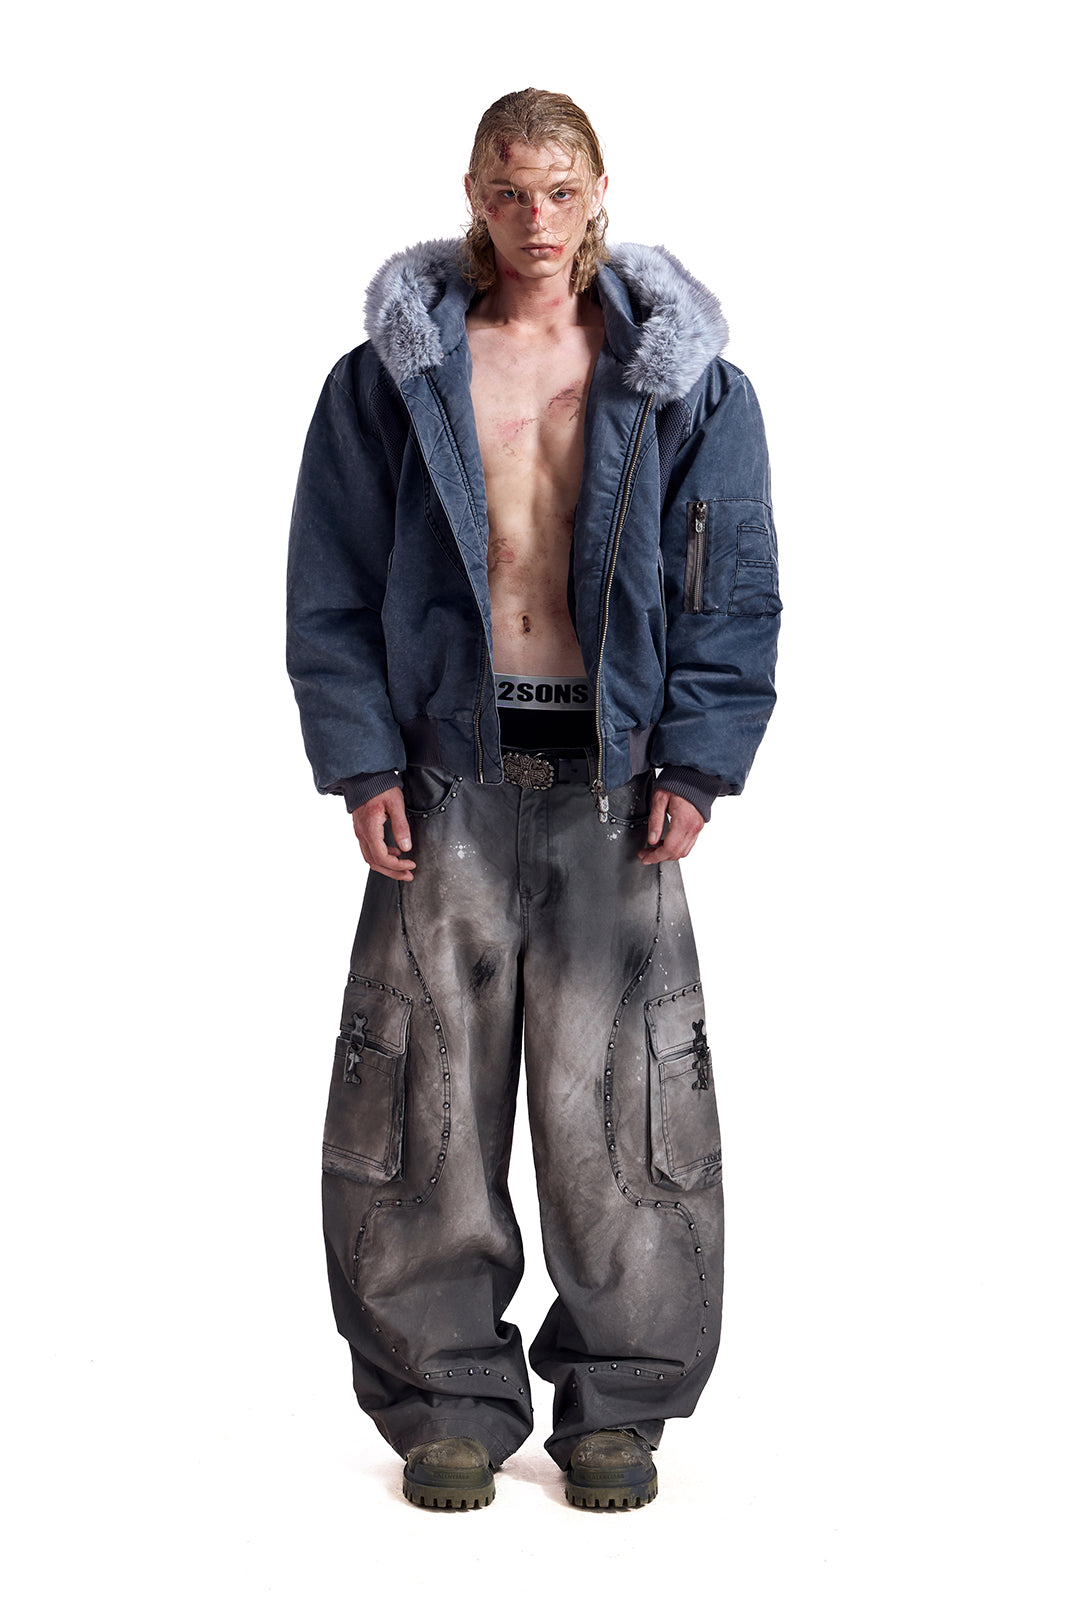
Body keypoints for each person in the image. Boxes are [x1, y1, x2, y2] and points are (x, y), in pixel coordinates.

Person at [286, 87, 781, 1511]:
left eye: (561, 190)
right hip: (443, 772)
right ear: (474, 194)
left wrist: (698, 760)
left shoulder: (688, 385)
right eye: (510, 191)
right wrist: (362, 762)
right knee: (421, 1091)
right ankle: (444, 1398)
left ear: (601, 190)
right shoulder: (390, 380)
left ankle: (619, 1403)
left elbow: (732, 585)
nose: (537, 218)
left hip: (615, 785)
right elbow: (330, 580)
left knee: (627, 1100)